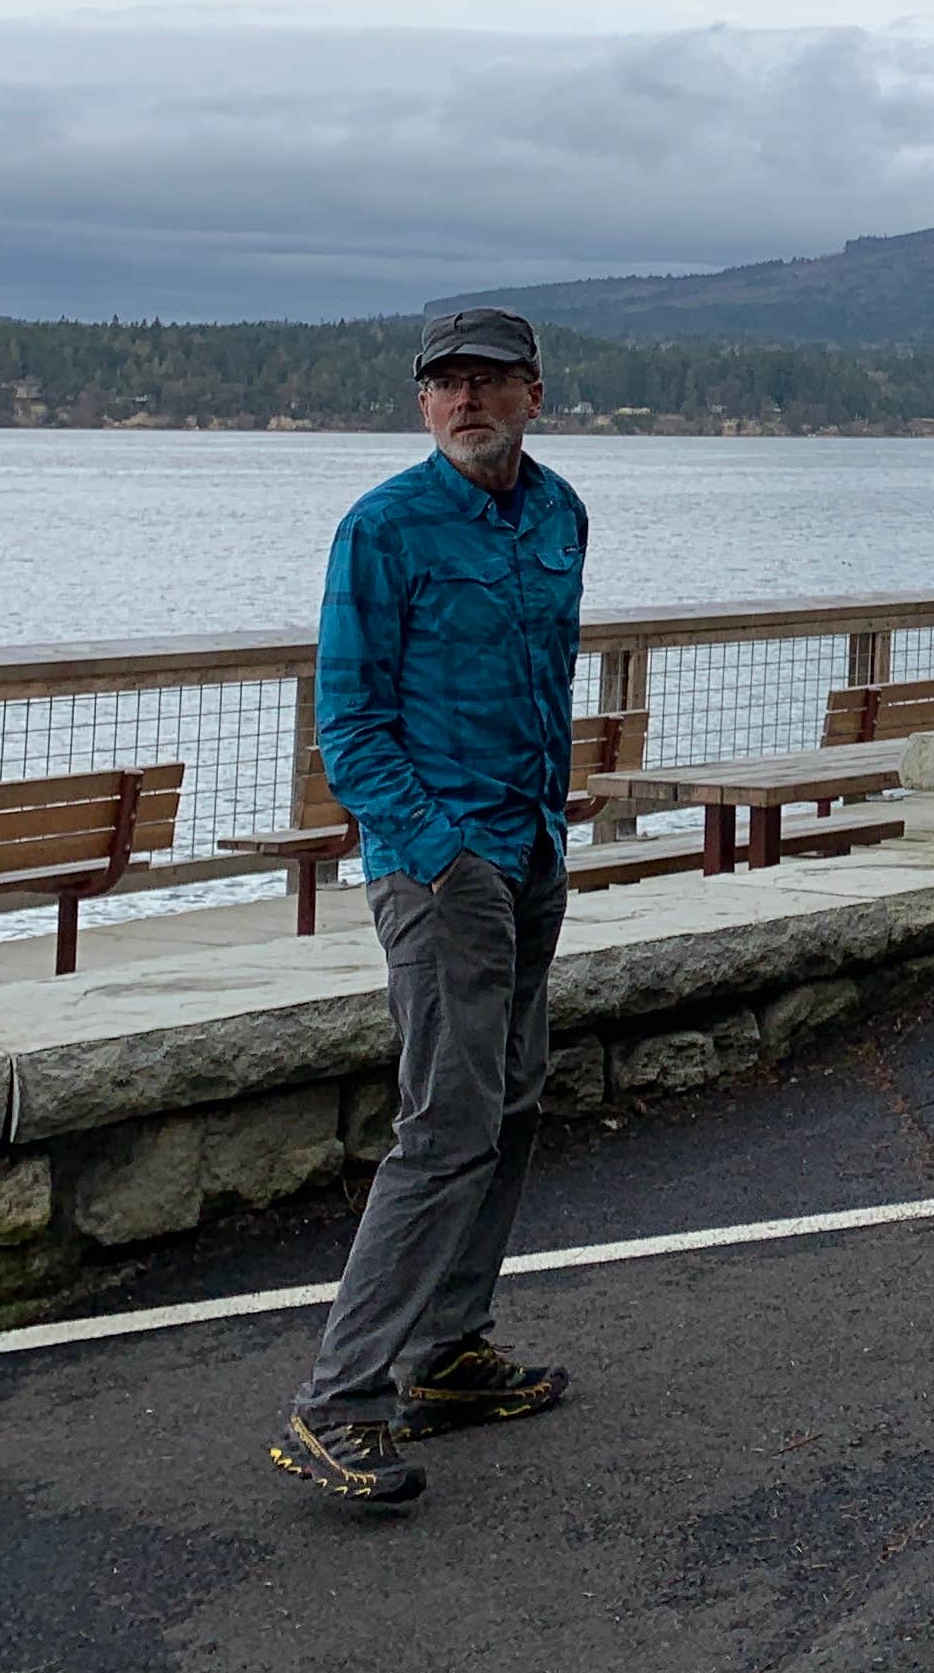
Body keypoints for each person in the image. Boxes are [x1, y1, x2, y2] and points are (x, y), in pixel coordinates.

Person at [267, 305, 588, 1510]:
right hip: (439, 863)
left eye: (488, 382)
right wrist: (441, 852)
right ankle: (338, 1403)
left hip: (532, 848)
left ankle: (448, 1354)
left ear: (533, 395)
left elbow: (548, 680)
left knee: (510, 1102)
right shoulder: (384, 529)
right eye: (444, 385)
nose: (466, 401)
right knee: (444, 1123)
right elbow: (348, 725)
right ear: (422, 403)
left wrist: (537, 835)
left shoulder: (559, 515)